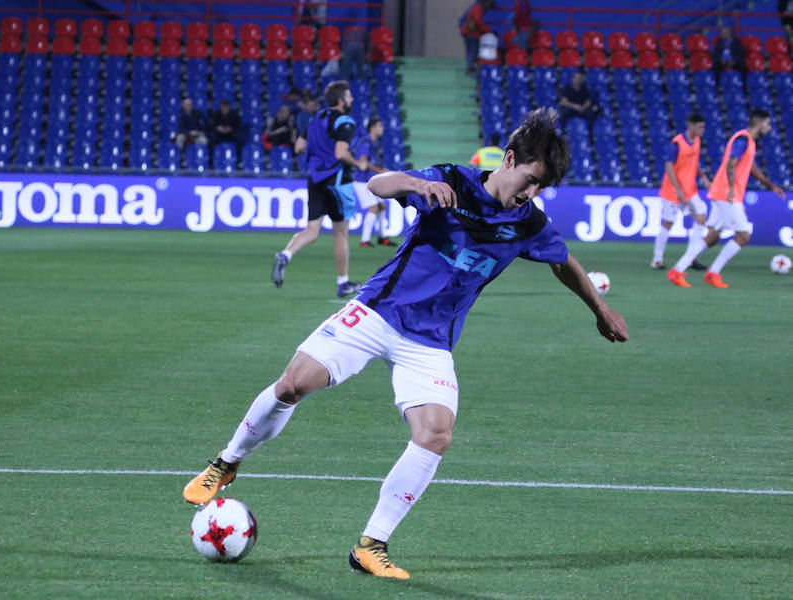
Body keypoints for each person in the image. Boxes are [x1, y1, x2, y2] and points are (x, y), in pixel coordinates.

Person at [182, 108, 630, 580]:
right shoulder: (452, 181)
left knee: (436, 434)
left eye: (542, 188)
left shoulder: (528, 223)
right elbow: (379, 185)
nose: (532, 193)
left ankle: (370, 546)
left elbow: (564, 263)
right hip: (380, 311)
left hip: (432, 341)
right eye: (531, 180)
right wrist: (418, 186)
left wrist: (600, 310)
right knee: (295, 383)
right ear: (511, 158)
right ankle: (226, 462)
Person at [667, 109, 787, 288]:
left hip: (722, 192)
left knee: (712, 237)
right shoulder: (743, 140)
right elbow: (732, 163)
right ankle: (713, 273)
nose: (769, 128)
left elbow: (751, 168)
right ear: (759, 123)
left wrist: (770, 186)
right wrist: (731, 189)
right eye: (768, 124)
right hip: (727, 194)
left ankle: (677, 271)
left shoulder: (748, 142)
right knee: (744, 236)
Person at [271, 80, 368, 297]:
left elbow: (299, 147)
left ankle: (285, 254)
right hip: (337, 180)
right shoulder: (345, 121)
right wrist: (357, 163)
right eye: (350, 96)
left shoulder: (316, 118)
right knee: (341, 233)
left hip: (315, 179)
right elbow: (341, 153)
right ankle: (343, 283)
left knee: (312, 231)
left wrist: (319, 152)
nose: (352, 99)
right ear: (341, 100)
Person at [650, 113, 712, 270]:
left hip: (690, 190)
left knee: (701, 218)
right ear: (690, 125)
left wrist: (703, 176)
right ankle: (657, 260)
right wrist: (678, 189)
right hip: (673, 192)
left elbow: (694, 162)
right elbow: (669, 166)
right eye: (700, 127)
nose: (702, 130)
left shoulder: (696, 141)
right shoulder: (677, 143)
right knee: (668, 224)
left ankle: (691, 258)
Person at [352, 118, 395, 248]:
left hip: (370, 180)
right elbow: (363, 163)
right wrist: (380, 170)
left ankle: (382, 237)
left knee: (382, 206)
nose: (382, 128)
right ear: (372, 128)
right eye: (380, 125)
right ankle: (365, 240)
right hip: (361, 181)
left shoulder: (374, 143)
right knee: (374, 208)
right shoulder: (366, 142)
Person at [459, 1, 493, 74]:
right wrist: (488, 31)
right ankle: (470, 68)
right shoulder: (478, 8)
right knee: (472, 51)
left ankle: (470, 67)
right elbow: (478, 21)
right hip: (471, 33)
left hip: (469, 32)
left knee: (471, 51)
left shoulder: (478, 8)